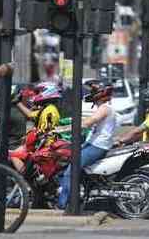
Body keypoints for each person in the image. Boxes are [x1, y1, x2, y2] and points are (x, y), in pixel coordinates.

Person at [58, 81, 116, 209]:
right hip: (93, 144)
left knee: (71, 172)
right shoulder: (104, 108)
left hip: (97, 146)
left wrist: (61, 129)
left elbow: (87, 123)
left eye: (93, 90)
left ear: (100, 93)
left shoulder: (105, 108)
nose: (91, 93)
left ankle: (63, 205)